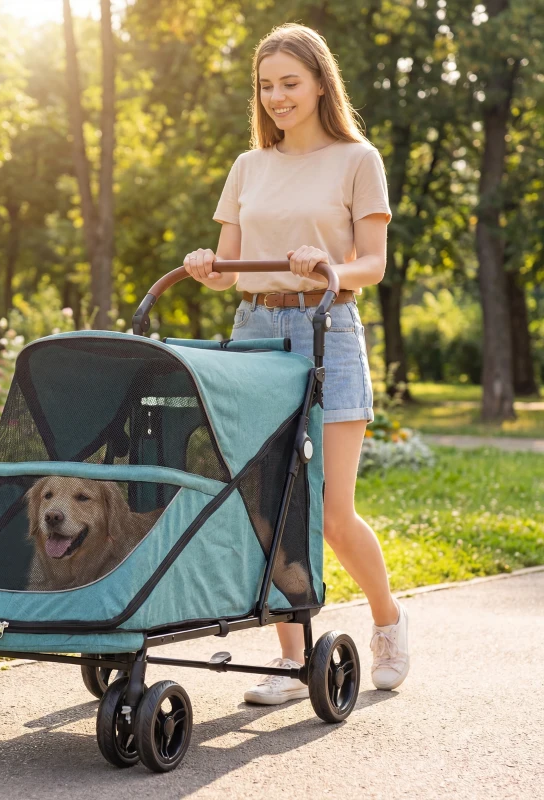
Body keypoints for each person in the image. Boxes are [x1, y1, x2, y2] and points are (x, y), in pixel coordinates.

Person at [183, 22, 410, 704]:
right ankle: (290, 659)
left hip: (327, 328)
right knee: (268, 511)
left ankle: (389, 622)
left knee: (332, 514)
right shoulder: (249, 166)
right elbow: (230, 266)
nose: (278, 97)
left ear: (319, 83)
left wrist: (331, 266)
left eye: (290, 83)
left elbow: (372, 264)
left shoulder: (356, 158)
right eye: (266, 86)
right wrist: (207, 267)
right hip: (255, 330)